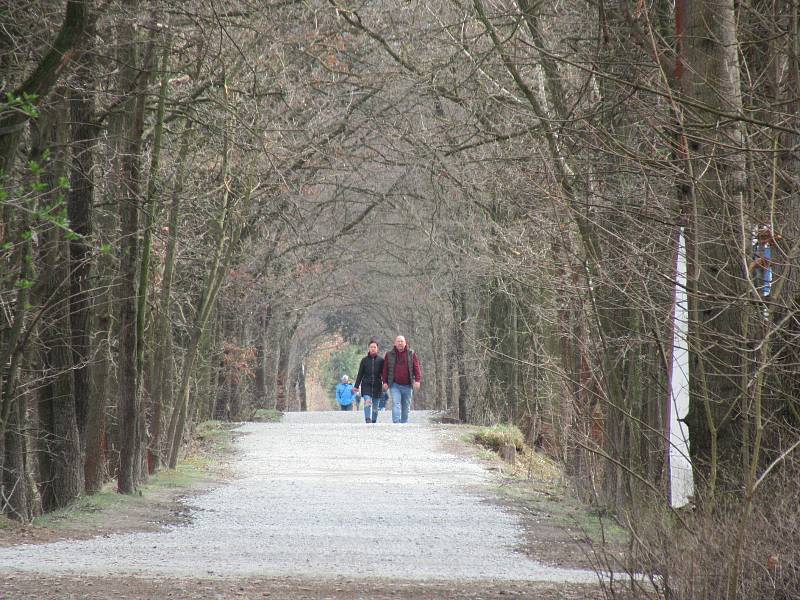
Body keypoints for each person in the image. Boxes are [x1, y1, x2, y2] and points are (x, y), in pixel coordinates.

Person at [381, 335, 422, 424]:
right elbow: (385, 369)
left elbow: (416, 367)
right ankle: (396, 422)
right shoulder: (389, 355)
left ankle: (404, 423)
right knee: (396, 403)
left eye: (402, 341)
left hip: (408, 385)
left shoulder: (411, 353)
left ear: (405, 343)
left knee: (406, 406)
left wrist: (417, 380)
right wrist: (385, 382)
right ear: (395, 343)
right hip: (395, 385)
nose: (400, 343)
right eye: (398, 341)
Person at [353, 339, 385, 423]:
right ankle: (367, 419)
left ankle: (374, 421)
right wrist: (356, 386)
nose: (373, 348)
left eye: (374, 347)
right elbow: (360, 374)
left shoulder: (381, 361)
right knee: (367, 400)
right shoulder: (364, 360)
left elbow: (384, 374)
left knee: (375, 406)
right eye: (371, 347)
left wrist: (385, 383)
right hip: (366, 384)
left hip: (377, 385)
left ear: (377, 348)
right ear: (369, 348)